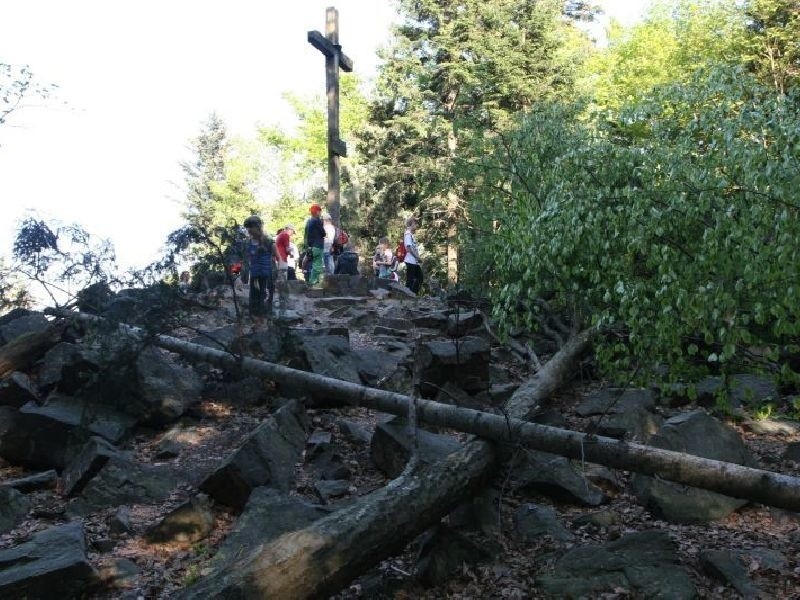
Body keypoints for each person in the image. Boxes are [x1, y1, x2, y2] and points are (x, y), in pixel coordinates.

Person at [242, 215, 277, 316]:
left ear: (257, 227)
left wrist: (280, 275)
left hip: (268, 276)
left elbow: (279, 257)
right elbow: (245, 261)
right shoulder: (247, 243)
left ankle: (266, 324)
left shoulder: (269, 242)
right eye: (247, 228)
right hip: (255, 277)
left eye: (250, 227)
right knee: (254, 302)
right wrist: (240, 278)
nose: (249, 230)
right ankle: (256, 324)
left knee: (265, 301)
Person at [304, 204, 326, 286]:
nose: (320, 213)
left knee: (313, 265)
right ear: (317, 212)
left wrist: (308, 246)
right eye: (320, 211)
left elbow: (306, 235)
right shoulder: (317, 221)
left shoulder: (309, 221)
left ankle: (311, 281)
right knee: (317, 265)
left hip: (311, 246)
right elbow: (323, 233)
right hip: (318, 246)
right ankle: (313, 283)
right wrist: (322, 224)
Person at [275, 224, 295, 311]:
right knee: (283, 279)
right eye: (292, 232)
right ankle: (283, 299)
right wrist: (291, 252)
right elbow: (287, 249)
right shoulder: (285, 235)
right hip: (282, 259)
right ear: (289, 229)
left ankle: (280, 297)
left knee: (280, 277)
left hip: (278, 258)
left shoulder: (280, 234)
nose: (292, 234)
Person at [403, 216, 423, 294]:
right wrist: (417, 257)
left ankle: (412, 294)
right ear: (412, 224)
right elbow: (409, 248)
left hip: (414, 261)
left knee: (418, 278)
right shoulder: (408, 235)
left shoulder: (411, 235)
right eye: (415, 223)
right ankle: (408, 295)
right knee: (411, 279)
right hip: (410, 260)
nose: (416, 225)